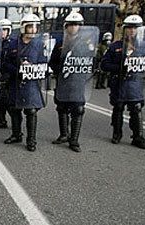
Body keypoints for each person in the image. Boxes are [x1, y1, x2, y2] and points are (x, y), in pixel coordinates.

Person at [101, 15, 145, 149]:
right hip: (119, 82)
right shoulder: (115, 46)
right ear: (125, 29)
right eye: (129, 28)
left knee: (136, 108)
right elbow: (104, 65)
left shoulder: (144, 47)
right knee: (118, 108)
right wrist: (119, 68)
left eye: (135, 28)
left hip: (134, 83)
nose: (132, 31)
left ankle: (138, 137)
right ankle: (117, 134)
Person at [49, 13, 98, 152]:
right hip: (63, 81)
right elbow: (53, 62)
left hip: (78, 82)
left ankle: (74, 140)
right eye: (70, 25)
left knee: (78, 110)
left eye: (76, 25)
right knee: (62, 108)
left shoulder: (86, 44)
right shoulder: (60, 44)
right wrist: (60, 69)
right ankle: (64, 135)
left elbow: (92, 63)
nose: (73, 27)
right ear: (66, 27)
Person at [3, 14, 48, 152]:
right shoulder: (13, 44)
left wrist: (34, 67)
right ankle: (16, 135)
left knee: (31, 111)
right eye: (30, 26)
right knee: (14, 109)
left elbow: (44, 63)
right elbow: (5, 63)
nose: (33, 30)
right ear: (24, 27)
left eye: (35, 26)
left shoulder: (39, 44)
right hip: (16, 82)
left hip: (31, 84)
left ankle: (31, 140)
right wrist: (18, 69)